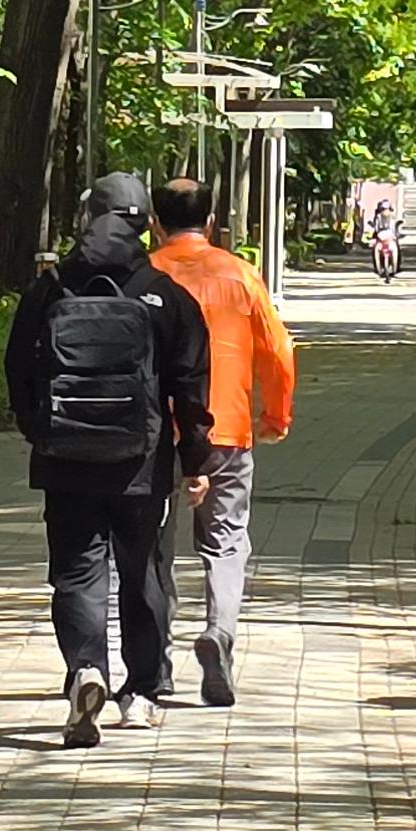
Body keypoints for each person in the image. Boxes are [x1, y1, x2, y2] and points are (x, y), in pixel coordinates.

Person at [6, 171, 212, 748]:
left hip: (65, 459)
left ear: (86, 217)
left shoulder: (50, 290)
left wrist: (40, 432)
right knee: (142, 572)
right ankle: (141, 691)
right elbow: (190, 383)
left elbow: (17, 367)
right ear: (147, 223)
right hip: (141, 463)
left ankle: (85, 669)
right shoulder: (163, 294)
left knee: (77, 572)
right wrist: (194, 458)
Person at [148, 177, 296, 708]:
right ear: (211, 223)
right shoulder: (241, 275)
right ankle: (219, 633)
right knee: (227, 541)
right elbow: (278, 352)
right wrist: (275, 415)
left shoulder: (145, 276)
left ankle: (155, 662)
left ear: (154, 225)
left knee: (153, 546)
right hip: (227, 429)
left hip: (156, 431)